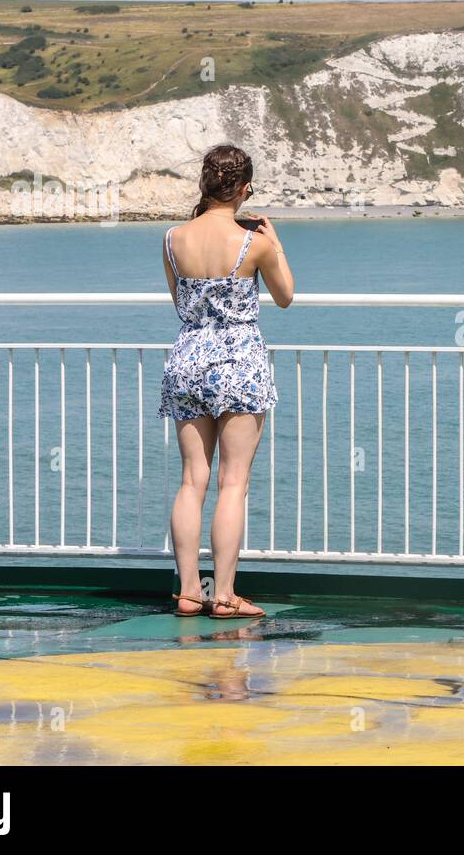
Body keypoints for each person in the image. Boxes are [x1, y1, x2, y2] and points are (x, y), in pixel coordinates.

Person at [158, 144, 294, 619]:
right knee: (232, 482)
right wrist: (273, 242)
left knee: (192, 480)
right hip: (237, 361)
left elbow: (181, 304)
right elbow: (285, 297)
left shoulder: (173, 238)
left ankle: (189, 591)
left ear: (205, 183)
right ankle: (224, 595)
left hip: (187, 357)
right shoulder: (252, 242)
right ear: (245, 187)